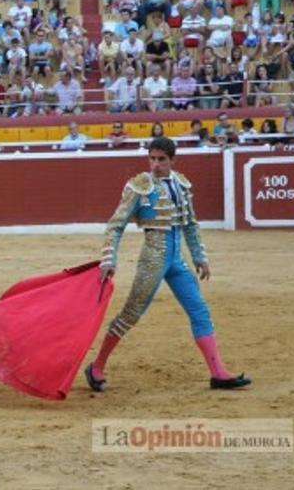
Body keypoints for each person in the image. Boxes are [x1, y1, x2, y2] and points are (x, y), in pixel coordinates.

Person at [86, 137, 251, 392]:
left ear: (172, 160)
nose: (155, 164)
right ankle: (96, 366)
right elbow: (115, 225)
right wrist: (109, 259)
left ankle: (218, 372)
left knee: (199, 311)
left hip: (176, 259)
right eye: (152, 158)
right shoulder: (139, 186)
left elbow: (190, 224)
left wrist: (199, 256)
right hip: (153, 256)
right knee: (131, 314)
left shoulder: (181, 184)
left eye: (161, 159)